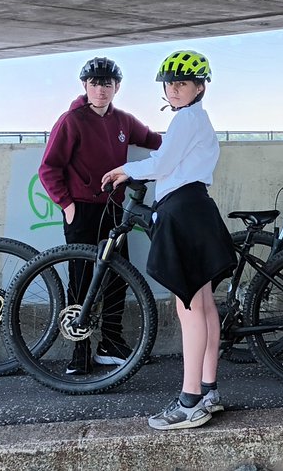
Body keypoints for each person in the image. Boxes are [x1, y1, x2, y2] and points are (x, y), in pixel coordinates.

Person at [102, 50, 238, 430]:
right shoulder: (198, 118)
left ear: (200, 87)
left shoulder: (187, 119)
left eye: (182, 83)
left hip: (183, 213)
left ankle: (189, 400)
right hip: (197, 209)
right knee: (205, 305)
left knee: (189, 309)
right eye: (170, 84)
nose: (174, 89)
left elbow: (162, 165)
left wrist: (124, 169)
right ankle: (208, 390)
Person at [38, 57, 162, 375]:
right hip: (81, 209)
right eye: (94, 83)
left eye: (107, 83)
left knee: (118, 277)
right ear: (85, 86)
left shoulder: (123, 120)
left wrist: (187, 142)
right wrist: (66, 205)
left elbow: (154, 140)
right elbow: (49, 167)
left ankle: (111, 345)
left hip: (114, 209)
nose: (100, 89)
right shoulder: (71, 120)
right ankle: (80, 351)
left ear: (117, 87)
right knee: (80, 281)